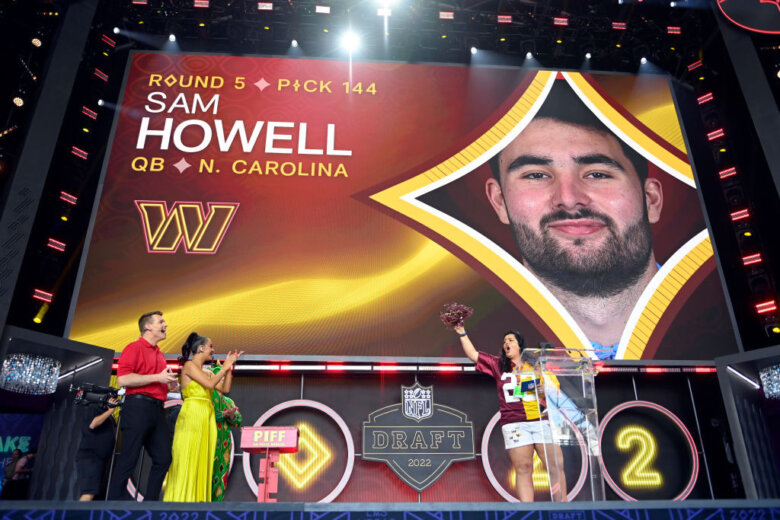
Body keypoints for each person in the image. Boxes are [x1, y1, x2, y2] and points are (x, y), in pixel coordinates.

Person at [485, 81, 663, 360]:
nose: (568, 199)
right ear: (499, 201)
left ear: (651, 199)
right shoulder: (474, 344)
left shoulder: (715, 321)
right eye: (536, 175)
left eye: (597, 174)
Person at [454, 324, 566, 502]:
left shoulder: (535, 364)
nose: (506, 343)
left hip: (541, 419)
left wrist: (544, 388)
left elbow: (553, 389)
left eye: (510, 340)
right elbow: (473, 355)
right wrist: (462, 332)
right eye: (504, 341)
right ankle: (527, 512)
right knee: (523, 467)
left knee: (555, 465)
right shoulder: (498, 364)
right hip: (514, 423)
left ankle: (564, 509)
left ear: (519, 345)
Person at [164, 333, 242, 502]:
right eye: (211, 346)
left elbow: (226, 388)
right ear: (200, 348)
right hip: (192, 415)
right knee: (188, 458)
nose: (213, 350)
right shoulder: (190, 366)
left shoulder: (206, 372)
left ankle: (197, 502)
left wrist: (229, 368)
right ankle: (181, 501)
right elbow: (209, 385)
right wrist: (223, 367)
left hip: (206, 418)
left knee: (202, 460)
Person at [107, 311, 177, 500]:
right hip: (137, 407)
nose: (166, 325)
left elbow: (156, 382)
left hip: (157, 409)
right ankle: (110, 506)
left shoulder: (160, 355)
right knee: (129, 459)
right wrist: (158, 377)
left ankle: (149, 506)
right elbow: (123, 379)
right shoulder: (133, 348)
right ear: (148, 327)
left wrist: (170, 384)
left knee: (163, 458)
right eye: (161, 321)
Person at [210, 363, 242, 502]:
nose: (222, 381)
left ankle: (215, 509)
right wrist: (223, 414)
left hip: (224, 447)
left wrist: (231, 415)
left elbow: (238, 421)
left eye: (225, 378)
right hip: (209, 442)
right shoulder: (207, 396)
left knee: (221, 477)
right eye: (220, 378)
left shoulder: (229, 401)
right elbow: (207, 416)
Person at [77, 397, 118, 501]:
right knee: (89, 493)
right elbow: (93, 424)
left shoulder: (103, 411)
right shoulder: (93, 407)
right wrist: (110, 411)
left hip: (98, 459)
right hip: (91, 458)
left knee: (94, 495)